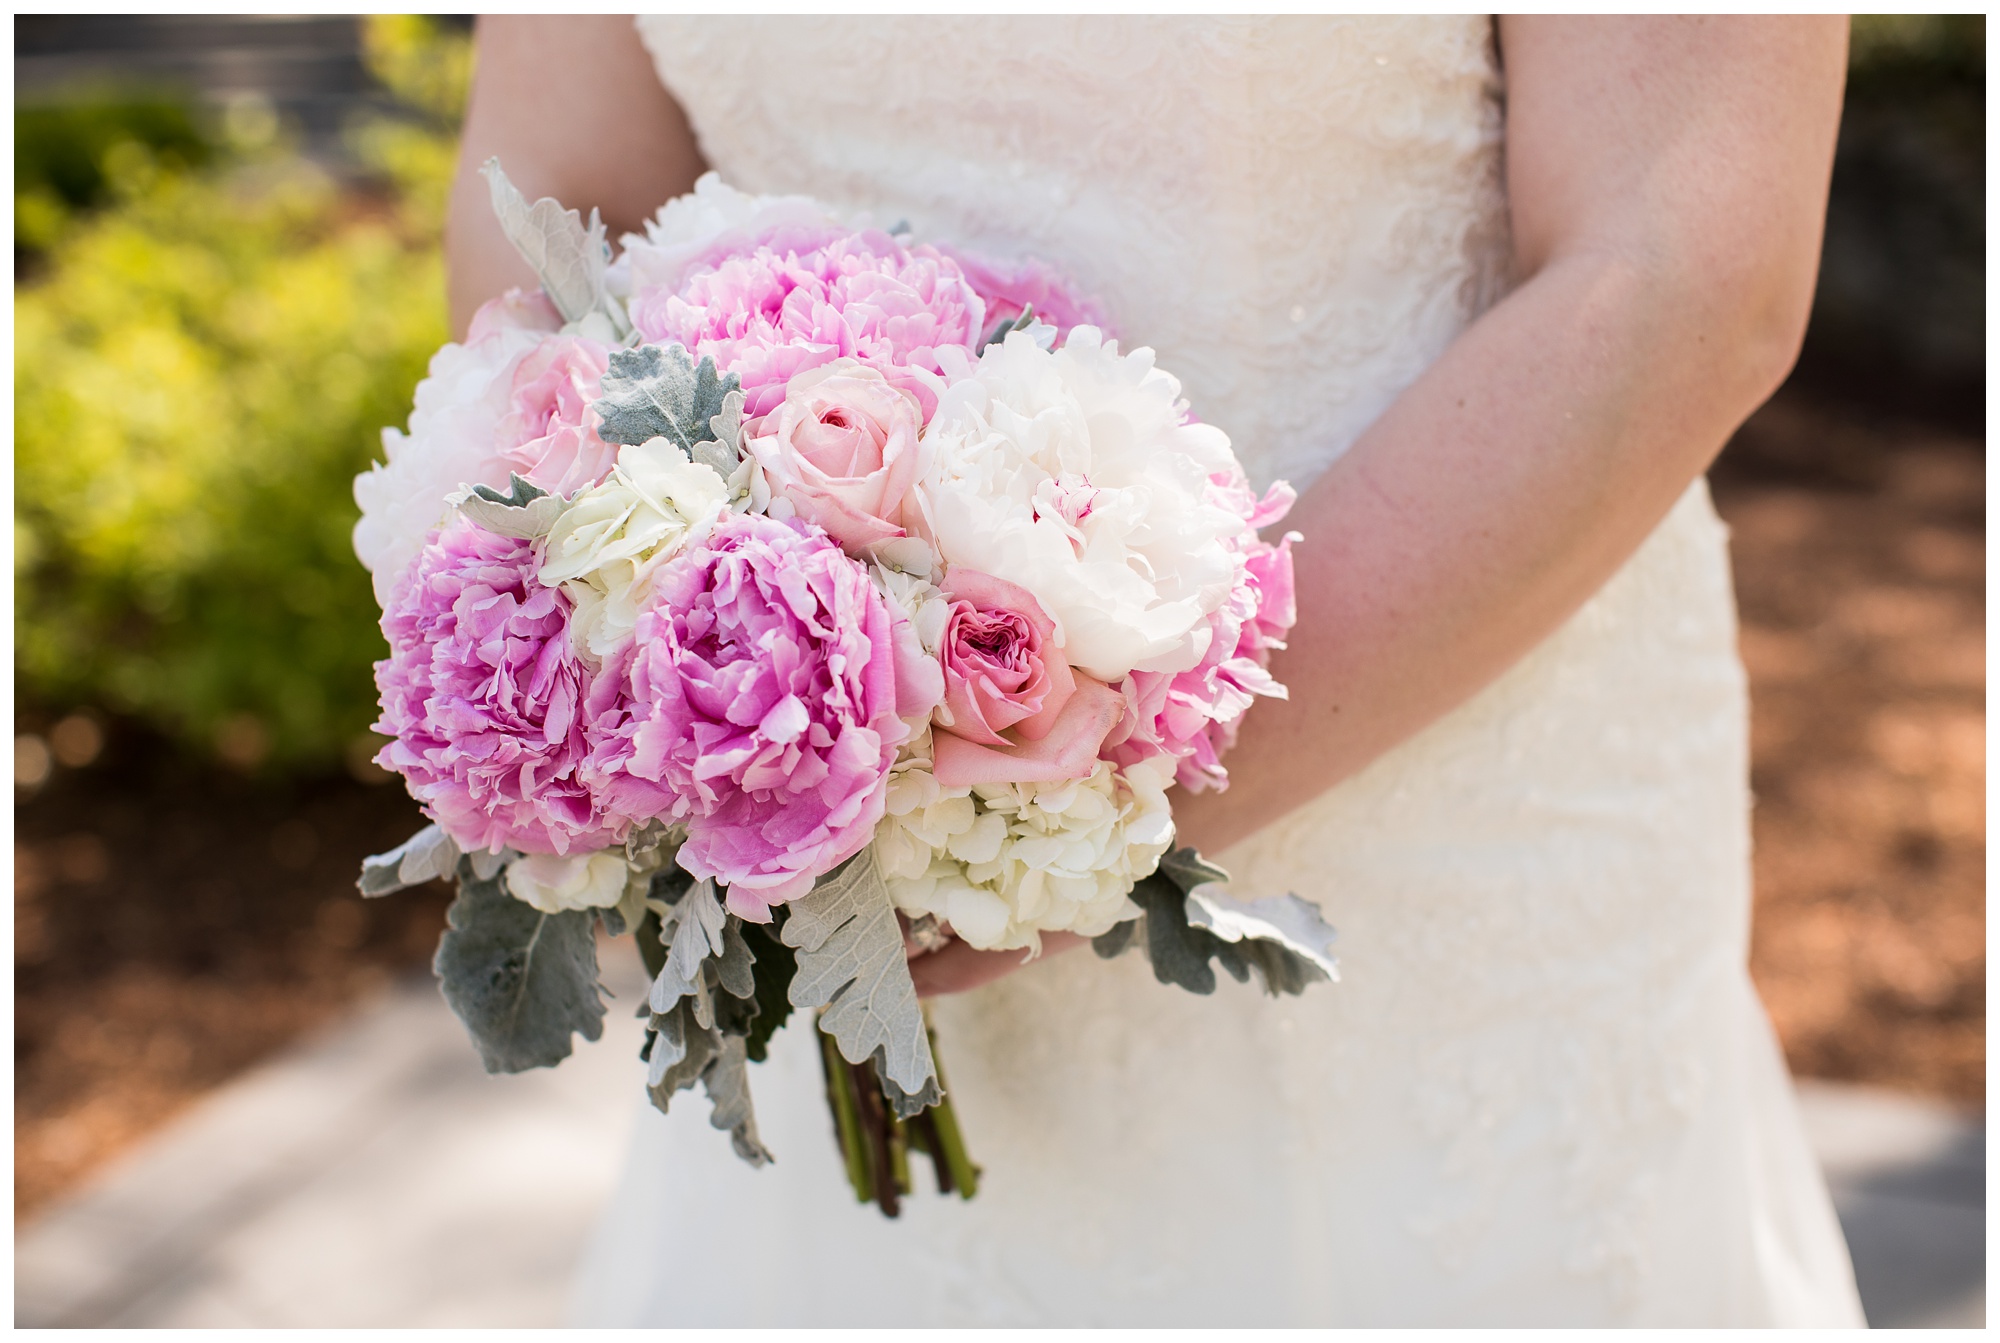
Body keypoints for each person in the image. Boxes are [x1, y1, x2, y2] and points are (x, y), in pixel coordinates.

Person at [447, 16, 1862, 1326]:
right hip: (835, 875)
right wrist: (672, 638)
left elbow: (1685, 267)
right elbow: (563, 193)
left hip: (1447, 827)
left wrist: (1060, 805)